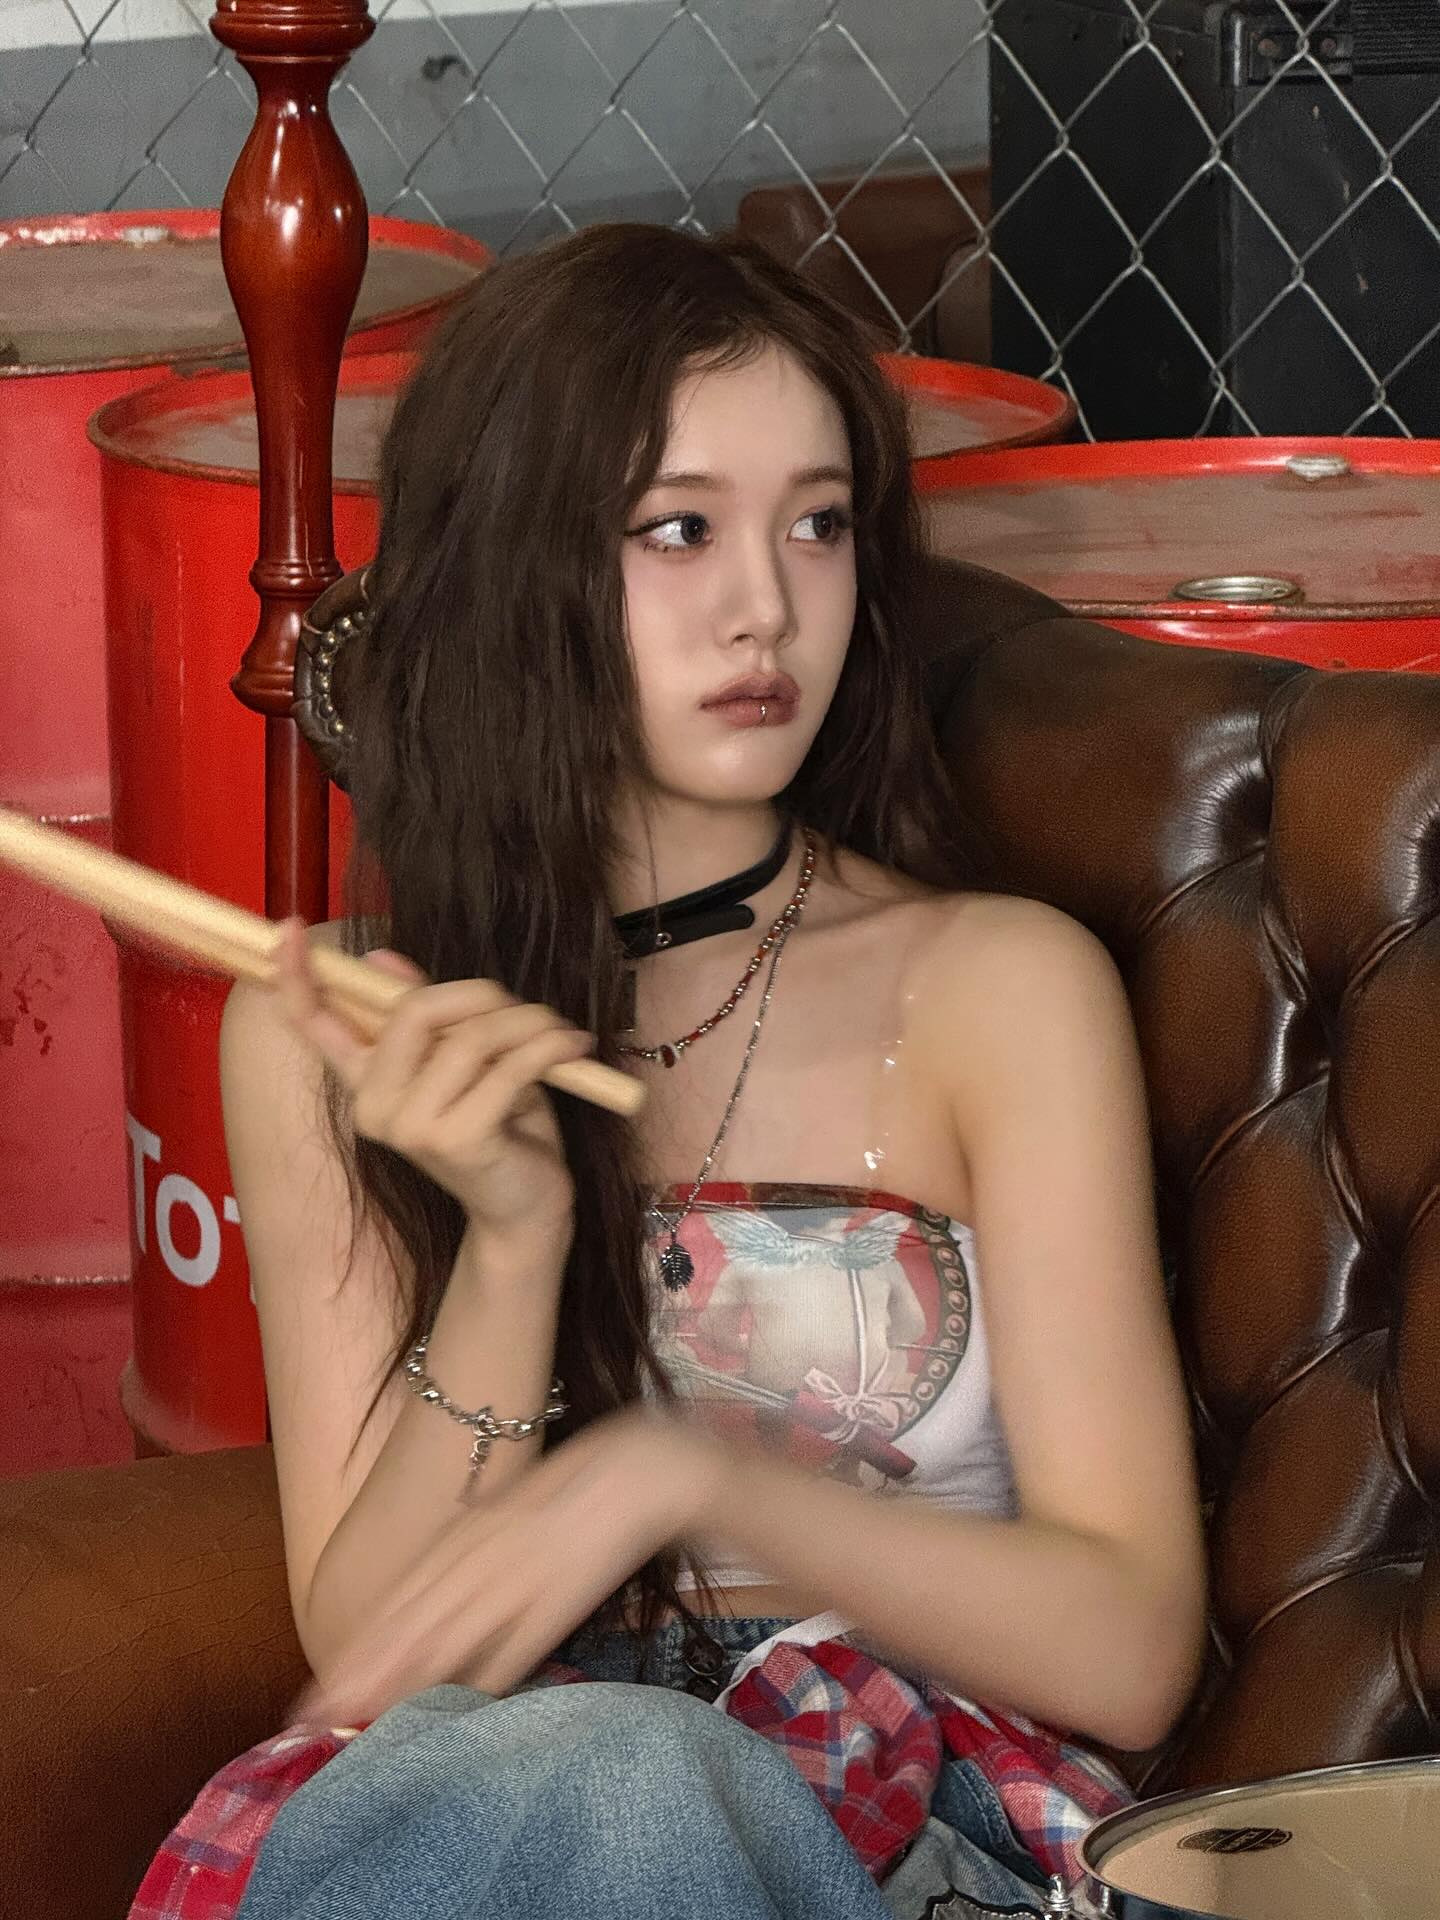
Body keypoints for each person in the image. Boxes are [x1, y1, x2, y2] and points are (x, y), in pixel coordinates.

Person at [142, 224, 1206, 1920]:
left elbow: (1133, 1650)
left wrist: (688, 1473)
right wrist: (511, 1243)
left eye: (819, 522)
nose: (767, 605)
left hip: (890, 1826)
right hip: (483, 1821)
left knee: (638, 1781)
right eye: (679, 528)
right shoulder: (334, 1026)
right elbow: (377, 1647)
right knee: (582, 1779)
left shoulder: (995, 988)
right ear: (516, 566)